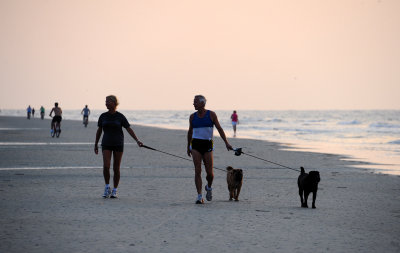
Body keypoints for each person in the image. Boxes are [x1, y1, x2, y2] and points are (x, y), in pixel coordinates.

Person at [94, 95, 143, 199]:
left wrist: (137, 140)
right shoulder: (103, 116)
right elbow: (99, 131)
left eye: (108, 101)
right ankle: (107, 187)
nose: (106, 103)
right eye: (105, 101)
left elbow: (128, 129)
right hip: (106, 143)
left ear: (114, 103)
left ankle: (115, 190)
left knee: (116, 168)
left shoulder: (120, 116)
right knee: (106, 166)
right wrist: (96, 144)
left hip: (118, 144)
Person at [187, 95, 233, 204]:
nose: (193, 104)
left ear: (202, 103)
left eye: (195, 102)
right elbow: (190, 132)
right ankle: (199, 196)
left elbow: (220, 129)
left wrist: (226, 143)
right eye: (193, 102)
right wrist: (188, 146)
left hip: (207, 145)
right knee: (198, 171)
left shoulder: (211, 115)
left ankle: (209, 187)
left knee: (210, 174)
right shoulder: (192, 117)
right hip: (196, 145)